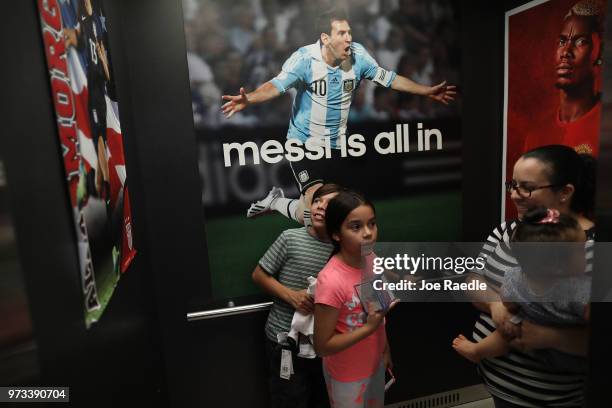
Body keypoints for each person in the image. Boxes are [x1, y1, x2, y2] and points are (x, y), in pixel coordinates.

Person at [221, 9, 455, 225]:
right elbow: (275, 86)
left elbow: (391, 79)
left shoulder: (359, 57)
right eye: (341, 33)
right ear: (325, 38)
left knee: (324, 215)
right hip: (303, 144)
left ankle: (276, 201)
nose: (348, 38)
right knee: (317, 215)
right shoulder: (304, 59)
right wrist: (249, 98)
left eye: (349, 32)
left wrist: (426, 90)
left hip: (337, 145)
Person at [464, 145, 596, 407]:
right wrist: (496, 304)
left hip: (554, 398)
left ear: (565, 192)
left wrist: (547, 336)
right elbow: (473, 281)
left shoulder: (593, 249)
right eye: (512, 185)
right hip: (499, 386)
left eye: (527, 187)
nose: (515, 195)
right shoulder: (508, 229)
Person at [453, 207, 590, 376]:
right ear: (558, 264)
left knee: (508, 331)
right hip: (521, 340)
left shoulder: (515, 277)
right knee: (508, 330)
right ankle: (477, 351)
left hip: (564, 366)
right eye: (581, 250)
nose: (587, 252)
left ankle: (477, 350)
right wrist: (500, 310)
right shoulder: (578, 288)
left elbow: (507, 299)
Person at [252, 183, 344, 408]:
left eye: (329, 204)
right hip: (283, 341)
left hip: (324, 343)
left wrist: (400, 277)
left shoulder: (342, 246)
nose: (320, 207)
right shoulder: (290, 237)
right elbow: (259, 275)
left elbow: (369, 265)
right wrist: (291, 296)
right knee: (291, 400)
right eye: (317, 201)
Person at [314, 191, 396, 408]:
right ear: (336, 234)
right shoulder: (330, 280)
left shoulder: (371, 259)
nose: (368, 233)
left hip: (375, 364)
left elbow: (377, 313)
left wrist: (384, 349)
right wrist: (368, 329)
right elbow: (322, 346)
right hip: (347, 376)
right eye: (356, 227)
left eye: (372, 224)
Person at [523, 0, 604, 156]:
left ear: (599, 52)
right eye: (562, 41)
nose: (566, 51)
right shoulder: (535, 137)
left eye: (581, 42)